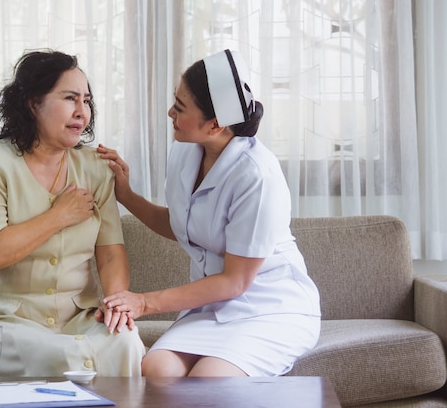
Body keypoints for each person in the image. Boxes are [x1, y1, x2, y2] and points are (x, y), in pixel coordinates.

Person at [97, 49, 321, 377]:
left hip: (269, 307)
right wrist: (126, 195)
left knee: (210, 379)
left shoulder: (256, 175)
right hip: (211, 307)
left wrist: (143, 302)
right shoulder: (185, 151)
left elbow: (235, 280)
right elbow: (182, 225)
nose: (170, 112)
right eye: (175, 100)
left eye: (180, 107)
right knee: (157, 370)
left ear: (215, 124)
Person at [0, 49, 145, 378]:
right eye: (70, 98)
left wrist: (116, 303)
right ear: (33, 103)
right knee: (68, 357)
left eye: (86, 101)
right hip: (4, 319)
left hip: (77, 318)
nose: (82, 112)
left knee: (126, 342)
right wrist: (59, 216)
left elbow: (111, 252)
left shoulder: (96, 168)